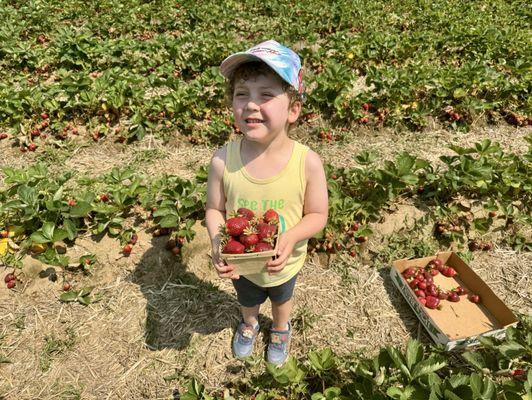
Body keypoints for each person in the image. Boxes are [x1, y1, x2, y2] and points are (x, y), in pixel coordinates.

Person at [205, 40, 328, 365]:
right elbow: (214, 209)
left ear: (293, 110)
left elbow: (318, 215)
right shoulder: (222, 161)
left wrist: (291, 236)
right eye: (241, 94)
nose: (250, 105)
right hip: (242, 265)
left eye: (266, 95)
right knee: (247, 299)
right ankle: (248, 323)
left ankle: (281, 327)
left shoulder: (307, 162)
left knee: (282, 298)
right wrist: (219, 243)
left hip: (284, 262)